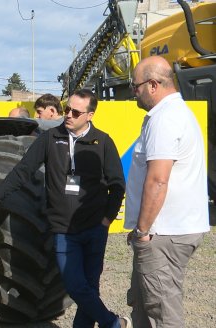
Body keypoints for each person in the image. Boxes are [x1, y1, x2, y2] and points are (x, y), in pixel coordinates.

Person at [0, 89, 130, 328]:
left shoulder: (103, 141)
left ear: (90, 115)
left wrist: (107, 219)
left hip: (95, 228)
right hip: (64, 230)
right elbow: (22, 172)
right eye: (66, 109)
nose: (68, 115)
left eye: (75, 112)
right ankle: (113, 323)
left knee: (89, 287)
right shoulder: (50, 138)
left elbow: (117, 184)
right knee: (74, 285)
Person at [124, 56, 210, 327]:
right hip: (166, 231)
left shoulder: (165, 118)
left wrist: (143, 231)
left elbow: (158, 180)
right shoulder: (174, 114)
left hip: (163, 233)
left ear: (152, 85)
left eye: (135, 86)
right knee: (143, 305)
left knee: (162, 312)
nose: (133, 92)